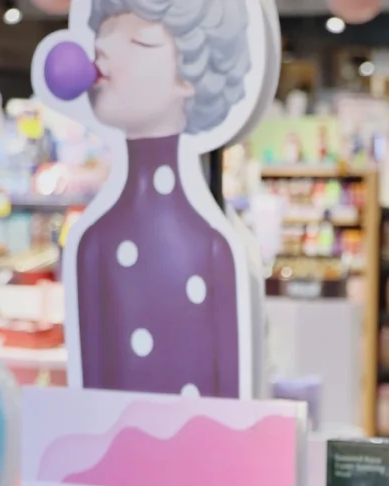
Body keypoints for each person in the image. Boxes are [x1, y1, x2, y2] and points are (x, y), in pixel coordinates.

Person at [72, 0, 249, 396]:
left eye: (140, 41)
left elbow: (228, 397)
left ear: (189, 79)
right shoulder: (95, 243)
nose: (102, 49)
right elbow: (92, 395)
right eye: (104, 33)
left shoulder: (211, 246)